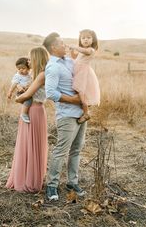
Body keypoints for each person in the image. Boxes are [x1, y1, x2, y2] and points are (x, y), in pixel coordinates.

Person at [43, 32, 87, 201]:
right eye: (62, 43)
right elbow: (50, 93)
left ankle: (72, 182)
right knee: (61, 151)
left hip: (81, 113)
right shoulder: (52, 67)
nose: (65, 45)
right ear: (54, 48)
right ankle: (52, 186)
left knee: (76, 150)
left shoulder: (69, 61)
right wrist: (74, 100)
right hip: (67, 114)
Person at [6, 47, 49, 192]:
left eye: (30, 58)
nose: (28, 61)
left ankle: (30, 179)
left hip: (35, 111)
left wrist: (19, 97)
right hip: (33, 110)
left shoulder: (41, 75)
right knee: (26, 143)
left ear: (37, 58)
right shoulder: (34, 74)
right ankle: (24, 176)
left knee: (33, 143)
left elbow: (24, 96)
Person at [69, 29, 100, 124]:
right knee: (77, 91)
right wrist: (72, 50)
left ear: (93, 40)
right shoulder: (82, 50)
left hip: (83, 72)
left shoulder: (91, 50)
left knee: (81, 92)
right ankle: (81, 109)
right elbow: (75, 57)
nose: (85, 40)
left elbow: (85, 51)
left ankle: (86, 112)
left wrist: (75, 47)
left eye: (88, 38)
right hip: (78, 71)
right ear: (80, 40)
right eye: (83, 38)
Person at [7, 57, 32, 123]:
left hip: (27, 91)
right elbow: (14, 84)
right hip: (21, 93)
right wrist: (10, 92)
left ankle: (27, 111)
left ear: (28, 68)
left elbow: (31, 82)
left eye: (23, 68)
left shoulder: (29, 75)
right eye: (19, 69)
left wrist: (28, 86)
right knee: (29, 100)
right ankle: (24, 113)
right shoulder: (17, 76)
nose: (21, 70)